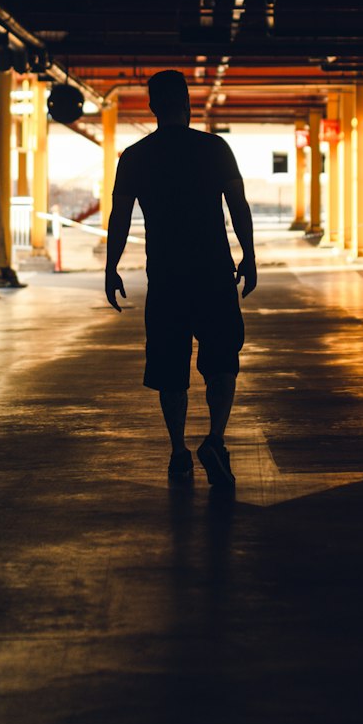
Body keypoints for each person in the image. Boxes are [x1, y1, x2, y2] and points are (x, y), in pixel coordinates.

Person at [104, 69, 257, 492]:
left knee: (170, 369)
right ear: (187, 101)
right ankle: (216, 441)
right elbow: (238, 206)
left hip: (167, 280)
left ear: (152, 106)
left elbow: (120, 216)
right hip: (213, 274)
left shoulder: (135, 156)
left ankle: (177, 451)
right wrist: (250, 255)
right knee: (222, 361)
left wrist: (111, 266)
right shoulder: (215, 148)